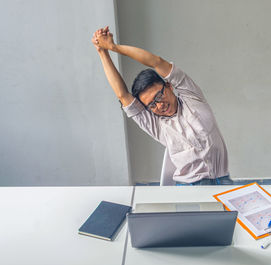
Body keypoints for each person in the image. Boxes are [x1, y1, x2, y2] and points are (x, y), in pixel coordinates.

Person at [91, 26, 233, 186]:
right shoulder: (157, 125)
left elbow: (156, 62)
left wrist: (114, 47)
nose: (159, 105)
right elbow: (122, 95)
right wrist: (103, 53)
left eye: (159, 96)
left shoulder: (192, 97)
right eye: (151, 105)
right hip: (190, 187)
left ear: (169, 86)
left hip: (224, 180)